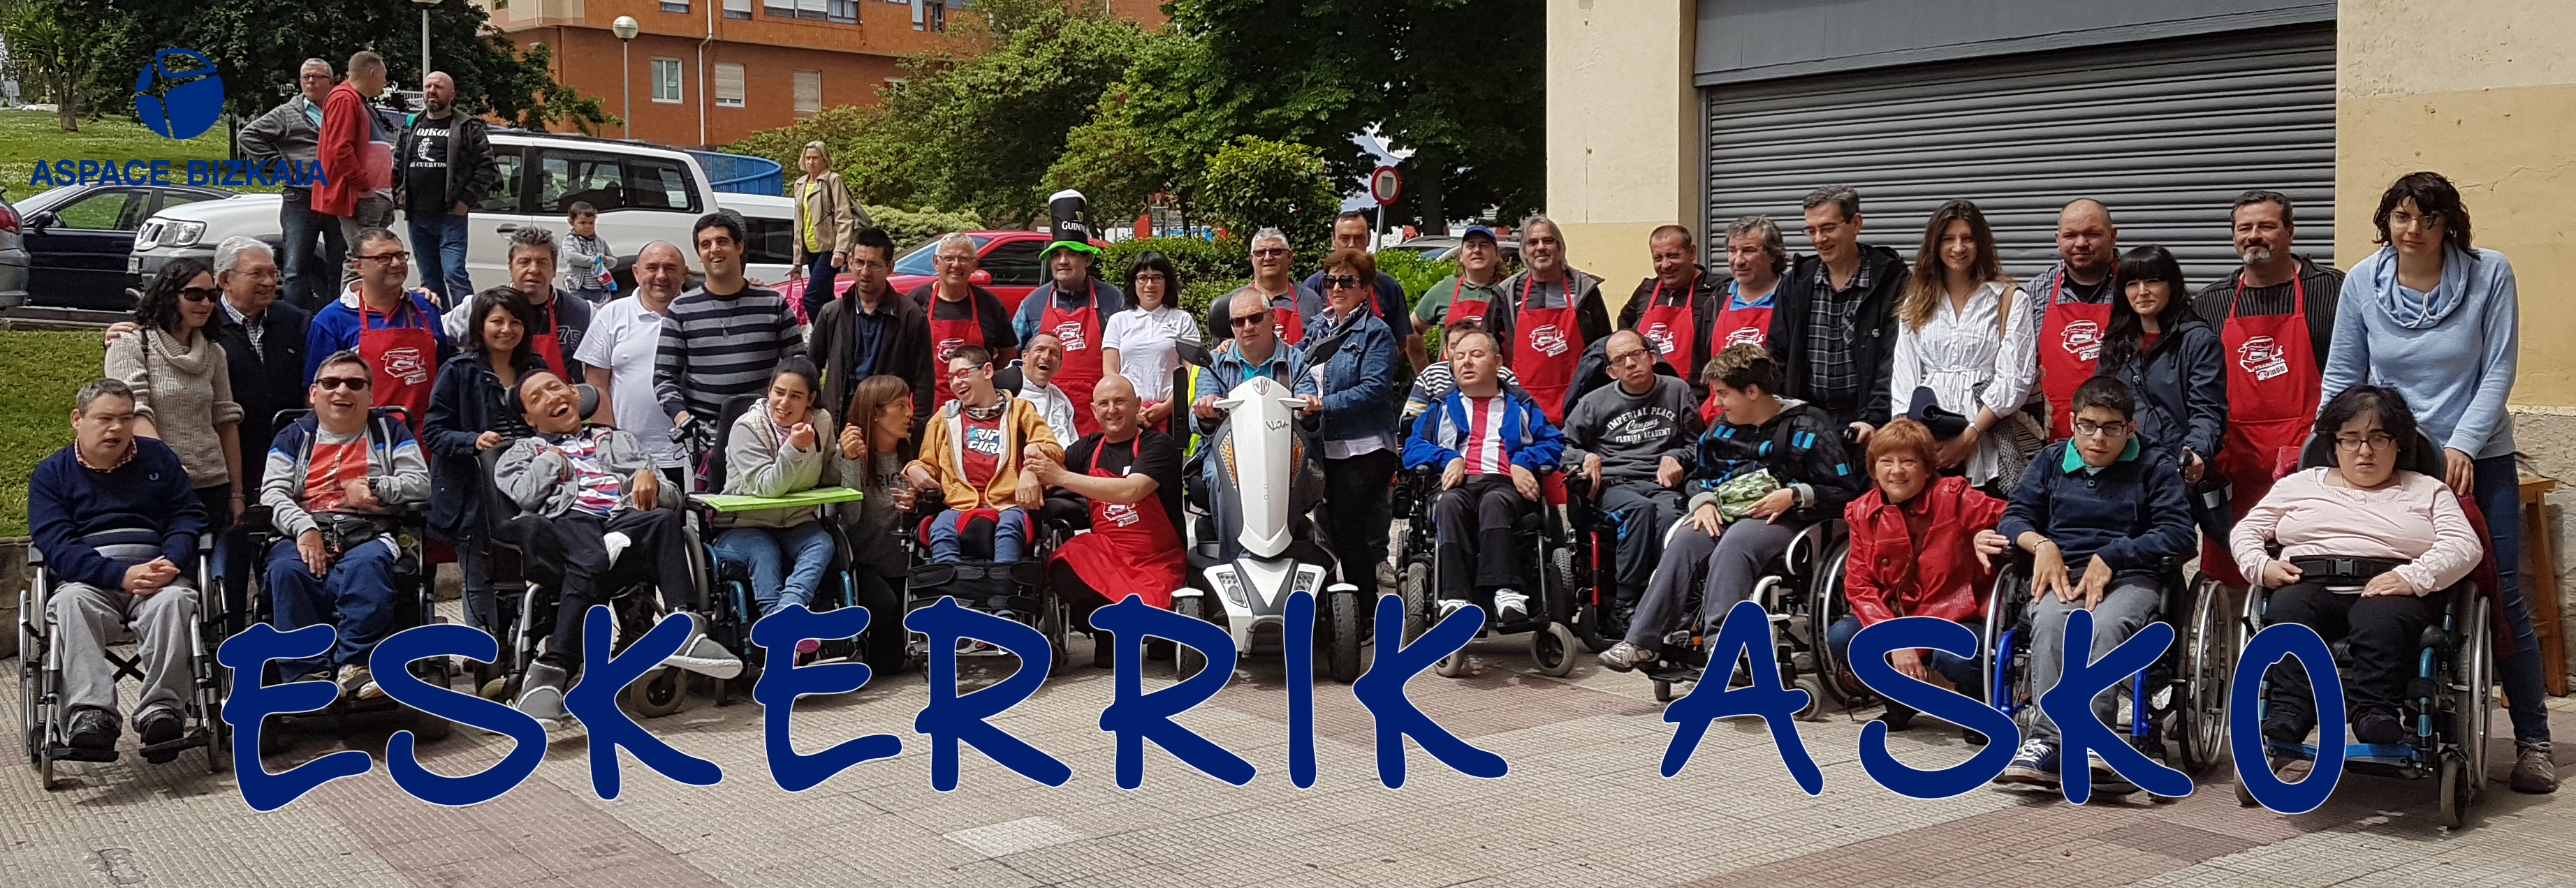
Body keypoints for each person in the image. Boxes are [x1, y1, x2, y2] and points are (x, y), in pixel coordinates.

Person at [2321, 170, 2552, 794]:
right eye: (2401, 216)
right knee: (2378, 578)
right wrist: (2331, 446)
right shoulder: (2363, 282)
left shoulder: (2489, 273)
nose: (2414, 229)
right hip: (2389, 454)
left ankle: (2533, 741)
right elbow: (2344, 371)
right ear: (2386, 222)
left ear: (2450, 222)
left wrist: (2463, 444)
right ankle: (2390, 710)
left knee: (2499, 590)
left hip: (2474, 454)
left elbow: (2498, 368)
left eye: (2428, 217)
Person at [1979, 376, 2195, 792]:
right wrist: (2041, 544)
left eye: (2112, 428)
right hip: (2062, 570)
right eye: (2088, 426)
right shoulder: (2050, 460)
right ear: (2073, 422)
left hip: (2131, 575)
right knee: (2050, 622)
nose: (2098, 438)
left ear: (2130, 428)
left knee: (2103, 626)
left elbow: (2179, 534)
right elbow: (2014, 516)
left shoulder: (2155, 465)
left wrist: (2115, 555)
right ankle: (2048, 741)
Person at [2234, 385, 2480, 748]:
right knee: (2288, 609)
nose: (2364, 451)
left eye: (2378, 438)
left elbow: (2464, 545)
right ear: (2334, 445)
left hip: (2392, 590)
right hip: (2309, 584)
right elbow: (2247, 530)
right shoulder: (2298, 484)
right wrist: (2261, 566)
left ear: (2399, 444)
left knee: (2378, 617)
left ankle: (2375, 712)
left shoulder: (2428, 490)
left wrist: (2412, 577)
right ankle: (2290, 709)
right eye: (2350, 439)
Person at [1597, 343, 1864, 672]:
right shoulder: (1720, 429)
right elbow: (1698, 477)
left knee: (1736, 543)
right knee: (1686, 538)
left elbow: (1845, 491)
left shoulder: (1808, 428)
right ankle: (1641, 642)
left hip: (1788, 519)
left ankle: (1724, 648)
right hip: (1725, 511)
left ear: (1752, 391)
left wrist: (1796, 495)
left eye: (1723, 394)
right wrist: (1703, 502)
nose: (1717, 404)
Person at [495, 369, 738, 720]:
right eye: (537, 398)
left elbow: (672, 499)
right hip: (568, 522)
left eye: (555, 388)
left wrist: (652, 481)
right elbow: (524, 495)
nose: (551, 397)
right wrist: (549, 460)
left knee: (663, 521)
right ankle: (554, 665)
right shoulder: (520, 452)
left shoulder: (619, 439)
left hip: (622, 519)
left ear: (574, 393)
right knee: (590, 555)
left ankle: (683, 629)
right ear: (528, 418)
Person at [27, 379, 208, 762]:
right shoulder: (52, 474)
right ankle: (91, 714)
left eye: (126, 419)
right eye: (105, 419)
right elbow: (57, 543)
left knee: (177, 602)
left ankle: (163, 710)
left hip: (158, 575)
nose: (117, 428)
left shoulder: (157, 458)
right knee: (70, 604)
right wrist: (119, 575)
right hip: (90, 581)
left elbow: (188, 515)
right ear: (77, 419)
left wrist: (172, 561)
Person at [2191, 189, 2343, 588]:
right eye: (2245, 228)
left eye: (2267, 226)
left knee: (2308, 561)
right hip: (2237, 460)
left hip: (2310, 455)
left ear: (2290, 232)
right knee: (2232, 568)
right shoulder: (2211, 302)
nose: (2254, 235)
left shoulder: (2333, 290)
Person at [260, 349, 431, 700]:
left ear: (370, 394)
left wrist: (373, 486)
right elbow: (272, 494)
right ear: (314, 393)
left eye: (355, 384)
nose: (342, 391)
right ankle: (305, 672)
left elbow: (420, 483)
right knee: (286, 572)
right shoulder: (293, 437)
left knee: (368, 566)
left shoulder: (390, 430)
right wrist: (303, 527)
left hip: (371, 529)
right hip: (305, 528)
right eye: (331, 383)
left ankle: (359, 664)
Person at [1826, 419, 2010, 737]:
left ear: (1927, 468)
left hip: (1956, 615)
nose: (1897, 471)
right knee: (1843, 635)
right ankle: (1901, 701)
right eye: (1886, 461)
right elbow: (1859, 585)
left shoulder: (1953, 496)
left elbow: (2015, 515)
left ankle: (1977, 707)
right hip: (1897, 616)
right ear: (1873, 469)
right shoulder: (1861, 512)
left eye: (1908, 461)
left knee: (1957, 653)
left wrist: (1986, 533)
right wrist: (1894, 638)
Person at [1402, 326, 1564, 621]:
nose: (1466, 362)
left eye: (1476, 355)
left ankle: (1506, 591)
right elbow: (1412, 448)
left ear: (1498, 362)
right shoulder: (1441, 406)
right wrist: (1449, 457)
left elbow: (1554, 442)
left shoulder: (1521, 404)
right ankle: (1455, 596)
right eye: (1459, 357)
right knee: (1448, 505)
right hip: (1457, 485)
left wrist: (1523, 462)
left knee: (1494, 503)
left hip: (1505, 484)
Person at [1030, 375, 1187, 665]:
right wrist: (1029, 473)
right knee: (1062, 563)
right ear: (1093, 410)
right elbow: (1045, 463)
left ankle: (1155, 635)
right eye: (1104, 404)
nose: (1112, 410)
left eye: (1120, 402)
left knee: (1152, 616)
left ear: (1137, 405)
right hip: (1109, 554)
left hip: (1156, 560)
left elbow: (1130, 491)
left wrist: (1061, 477)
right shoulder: (1088, 447)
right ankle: (1107, 633)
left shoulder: (1158, 445)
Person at [1887, 199, 2041, 490]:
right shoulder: (1916, 302)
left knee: (1986, 511)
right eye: (1948, 239)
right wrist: (1912, 439)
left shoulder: (2008, 299)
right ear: (1935, 245)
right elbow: (1905, 376)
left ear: (1981, 244)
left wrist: (1969, 437)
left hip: (1988, 438)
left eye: (1967, 238)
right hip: (1928, 438)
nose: (1958, 248)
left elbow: (2015, 379)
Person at [1561, 330, 1701, 634]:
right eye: (1620, 360)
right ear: (1611, 371)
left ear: (1651, 357)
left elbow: (1697, 445)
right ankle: (1625, 604)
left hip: (1661, 484)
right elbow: (1563, 446)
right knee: (1639, 511)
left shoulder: (1677, 390)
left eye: (1636, 354)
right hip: (1613, 485)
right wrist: (1585, 456)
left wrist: (1677, 456)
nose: (1630, 363)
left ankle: (1672, 602)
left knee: (1672, 519)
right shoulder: (1593, 402)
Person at [104, 258, 244, 556]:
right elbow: (134, 412)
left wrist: (237, 492)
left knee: (204, 570)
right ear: (169, 295)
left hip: (211, 482)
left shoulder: (215, 352)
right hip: (153, 481)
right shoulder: (130, 343)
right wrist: (168, 464)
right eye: (194, 295)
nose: (206, 303)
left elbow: (226, 420)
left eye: (212, 295)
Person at [424, 286, 543, 634]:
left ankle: (526, 641)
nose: (507, 330)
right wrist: (473, 441)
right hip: (473, 493)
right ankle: (484, 649)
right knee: (478, 574)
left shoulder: (535, 367)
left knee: (534, 571)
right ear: (480, 325)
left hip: (531, 487)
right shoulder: (458, 370)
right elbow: (434, 432)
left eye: (516, 322)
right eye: (497, 321)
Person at [206, 239, 310, 630]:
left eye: (273, 273)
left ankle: (282, 637)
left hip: (288, 461)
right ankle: (232, 640)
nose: (270, 282)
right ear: (225, 279)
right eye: (258, 274)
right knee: (232, 558)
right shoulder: (205, 323)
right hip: (231, 458)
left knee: (284, 559)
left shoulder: (295, 321)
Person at [1766, 185, 1908, 441]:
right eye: (1811, 230)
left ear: (1856, 224)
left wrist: (1873, 419)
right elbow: (1777, 354)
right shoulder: (1798, 282)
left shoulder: (1890, 281)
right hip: (1807, 419)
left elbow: (1896, 359)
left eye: (1828, 228)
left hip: (1870, 422)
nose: (1819, 239)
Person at [710, 358, 843, 620]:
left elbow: (828, 477)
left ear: (810, 399)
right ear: (769, 392)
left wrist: (846, 456)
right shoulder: (747, 427)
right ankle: (775, 620)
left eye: (795, 396)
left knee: (822, 542)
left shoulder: (822, 422)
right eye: (779, 393)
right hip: (744, 526)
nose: (784, 403)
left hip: (796, 522)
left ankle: (787, 610)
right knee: (763, 549)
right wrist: (794, 449)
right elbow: (766, 487)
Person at [655, 212, 805, 444]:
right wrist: (682, 419)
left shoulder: (772, 303)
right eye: (706, 244)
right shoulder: (680, 309)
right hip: (704, 437)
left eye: (722, 241)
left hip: (764, 433)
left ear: (739, 247)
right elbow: (664, 377)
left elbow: (798, 365)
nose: (714, 249)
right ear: (699, 255)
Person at [905, 345, 1061, 563]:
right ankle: (948, 582)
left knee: (1009, 530)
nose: (956, 382)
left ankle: (1004, 580)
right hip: (959, 505)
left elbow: (1052, 450)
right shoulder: (943, 418)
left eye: (963, 374)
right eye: (951, 378)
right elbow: (929, 464)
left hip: (1007, 504)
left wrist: (1030, 470)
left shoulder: (1020, 410)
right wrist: (914, 468)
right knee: (939, 528)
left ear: (987, 371)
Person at [1309, 247, 1403, 602]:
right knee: (1325, 529)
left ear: (1365, 289)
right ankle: (1334, 607)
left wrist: (1323, 405)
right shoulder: (1318, 328)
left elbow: (1374, 390)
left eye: (1347, 281)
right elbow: (1289, 363)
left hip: (1366, 447)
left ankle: (1365, 610)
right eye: (1330, 281)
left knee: (1347, 526)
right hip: (1323, 445)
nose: (1337, 288)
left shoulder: (1376, 333)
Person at [2095, 245, 2225, 486]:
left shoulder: (2198, 341)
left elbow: (2207, 409)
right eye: (2132, 284)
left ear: (2172, 285)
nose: (2142, 292)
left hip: (2172, 467)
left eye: (2152, 281)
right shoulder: (2116, 341)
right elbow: (2098, 400)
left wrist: (2196, 452)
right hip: (2119, 466)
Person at [303, 227, 451, 434]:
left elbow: (445, 372)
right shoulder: (331, 320)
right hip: (365, 439)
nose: (396, 264)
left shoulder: (426, 307)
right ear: (358, 266)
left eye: (400, 255)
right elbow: (316, 395)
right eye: (384, 258)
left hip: (429, 436)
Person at [574, 241, 691, 482]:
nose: (661, 276)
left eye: (670, 268)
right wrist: (612, 445)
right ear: (637, 273)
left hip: (691, 454)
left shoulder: (699, 314)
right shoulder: (612, 315)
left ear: (684, 274)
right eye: (652, 267)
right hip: (630, 458)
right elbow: (596, 386)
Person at [239, 58, 342, 311]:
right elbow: (248, 135)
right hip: (301, 196)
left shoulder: (342, 108)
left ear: (331, 82)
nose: (310, 81)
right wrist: (279, 165)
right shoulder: (287, 113)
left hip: (338, 195)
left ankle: (336, 319)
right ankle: (296, 321)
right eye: (306, 77)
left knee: (340, 265)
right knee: (296, 267)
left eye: (317, 77)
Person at [1011, 204, 1122, 436]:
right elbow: (1014, 357)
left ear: (1088, 260)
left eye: (1071, 254)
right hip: (1046, 420)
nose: (1062, 261)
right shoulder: (1033, 303)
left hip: (1102, 415)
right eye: (1056, 255)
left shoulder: (1113, 300)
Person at [1488, 216, 1612, 424]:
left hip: (1579, 401)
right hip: (1523, 402)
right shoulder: (1508, 292)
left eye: (1548, 241)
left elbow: (1604, 344)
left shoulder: (1584, 289)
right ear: (1525, 251)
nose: (1541, 247)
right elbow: (1489, 342)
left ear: (1560, 247)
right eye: (1532, 242)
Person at [812, 225, 933, 436]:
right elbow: (812, 367)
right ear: (850, 262)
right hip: (838, 425)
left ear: (889, 266)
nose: (865, 272)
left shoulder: (910, 316)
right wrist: (815, 414)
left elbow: (923, 379)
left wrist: (917, 430)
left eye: (874, 265)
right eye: (859, 262)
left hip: (888, 428)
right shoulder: (832, 313)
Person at [835, 374, 919, 667]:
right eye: (901, 405)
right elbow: (848, 516)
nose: (910, 413)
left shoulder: (912, 452)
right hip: (864, 566)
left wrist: (916, 505)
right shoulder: (848, 454)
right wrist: (850, 463)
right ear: (875, 413)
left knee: (890, 664)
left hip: (903, 567)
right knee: (884, 606)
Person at [395, 71, 497, 306]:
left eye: (438, 87)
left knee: (454, 273)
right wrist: (398, 195)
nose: (432, 91)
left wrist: (465, 200)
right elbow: (398, 163)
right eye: (428, 86)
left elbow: (487, 168)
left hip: (450, 216)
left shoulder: (467, 126)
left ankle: (467, 322)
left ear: (452, 95)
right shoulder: (412, 124)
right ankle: (438, 324)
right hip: (417, 215)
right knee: (429, 279)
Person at [441, 226, 590, 380]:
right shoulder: (479, 306)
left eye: (542, 263)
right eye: (524, 262)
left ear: (554, 270)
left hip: (559, 394)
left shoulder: (582, 311)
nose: (534, 270)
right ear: (510, 267)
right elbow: (435, 335)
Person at [2030, 199, 2123, 440]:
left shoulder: (2134, 286)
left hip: (2120, 431)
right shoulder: (2037, 291)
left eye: (2092, 234)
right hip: (2054, 433)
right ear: (2058, 239)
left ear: (2113, 236)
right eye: (2071, 235)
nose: (2081, 243)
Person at [1301, 211, 1428, 371]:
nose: (1352, 245)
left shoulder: (1388, 287)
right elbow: (1305, 340)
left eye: (1359, 238)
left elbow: (1401, 341)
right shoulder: (1313, 286)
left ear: (1368, 239)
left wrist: (1376, 362)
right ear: (1333, 239)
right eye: (1345, 238)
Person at [906, 232, 1018, 411]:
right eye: (949, 258)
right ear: (936, 262)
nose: (956, 265)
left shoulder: (989, 304)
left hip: (977, 409)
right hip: (925, 408)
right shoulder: (916, 301)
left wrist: (983, 378)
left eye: (964, 259)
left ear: (975, 265)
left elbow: (1008, 353)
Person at [1694, 216, 1790, 419]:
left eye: (1748, 250)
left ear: (1773, 254)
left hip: (1773, 419)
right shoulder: (1717, 301)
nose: (1738, 260)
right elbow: (1699, 369)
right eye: (1732, 250)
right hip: (1718, 418)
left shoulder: (1791, 298)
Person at [315, 51, 397, 271]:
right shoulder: (344, 98)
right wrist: (363, 188)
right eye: (384, 75)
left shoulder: (358, 101)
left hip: (374, 194)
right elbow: (340, 149)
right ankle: (354, 296)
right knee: (363, 260)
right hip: (362, 196)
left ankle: (365, 295)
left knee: (370, 259)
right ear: (372, 74)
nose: (385, 81)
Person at [1101, 251, 1199, 434]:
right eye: (1142, 278)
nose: (1149, 285)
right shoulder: (1118, 321)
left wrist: (1169, 406)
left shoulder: (1182, 320)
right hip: (1127, 416)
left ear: (1167, 283)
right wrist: (1131, 409)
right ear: (1134, 282)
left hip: (1173, 417)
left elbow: (1191, 370)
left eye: (1157, 278)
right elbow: (1110, 371)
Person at [1616, 225, 1721, 387]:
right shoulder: (1646, 290)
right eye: (1658, 258)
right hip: (1646, 390)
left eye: (1673, 256)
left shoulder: (1716, 290)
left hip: (1696, 392)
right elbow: (1624, 324)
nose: (1666, 265)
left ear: (1692, 252)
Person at [789, 140, 864, 321]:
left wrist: (841, 249)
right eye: (808, 158)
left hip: (829, 249)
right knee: (825, 298)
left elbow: (844, 216)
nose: (810, 162)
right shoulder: (800, 184)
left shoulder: (833, 180)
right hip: (810, 248)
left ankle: (823, 333)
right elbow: (798, 223)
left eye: (815, 158)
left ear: (825, 159)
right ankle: (840, 331)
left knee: (811, 299)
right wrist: (797, 261)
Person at [1210, 228, 1319, 347]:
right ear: (1252, 259)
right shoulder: (1233, 302)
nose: (1268, 257)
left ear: (1289, 256)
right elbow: (1217, 351)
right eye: (1260, 252)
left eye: (1276, 251)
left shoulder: (1311, 301)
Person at [1413, 225, 1507, 336]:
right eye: (1471, 246)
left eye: (1484, 245)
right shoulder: (1444, 288)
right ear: (1461, 255)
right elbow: (1414, 327)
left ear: (1497, 255)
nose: (1477, 250)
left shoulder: (1508, 290)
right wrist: (1418, 349)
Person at [1011, 332, 1081, 449]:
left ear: (1059, 365)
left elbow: (1073, 443)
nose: (1046, 357)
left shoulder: (1060, 399)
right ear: (1025, 356)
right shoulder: (1002, 386)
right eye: (1039, 350)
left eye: (1053, 353)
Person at [561, 202, 616, 304]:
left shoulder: (600, 242)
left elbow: (614, 261)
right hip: (578, 288)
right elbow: (571, 257)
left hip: (599, 288)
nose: (587, 226)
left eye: (591, 223)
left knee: (598, 311)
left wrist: (606, 260)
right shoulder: (570, 240)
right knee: (579, 310)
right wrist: (594, 261)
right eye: (582, 223)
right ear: (572, 222)